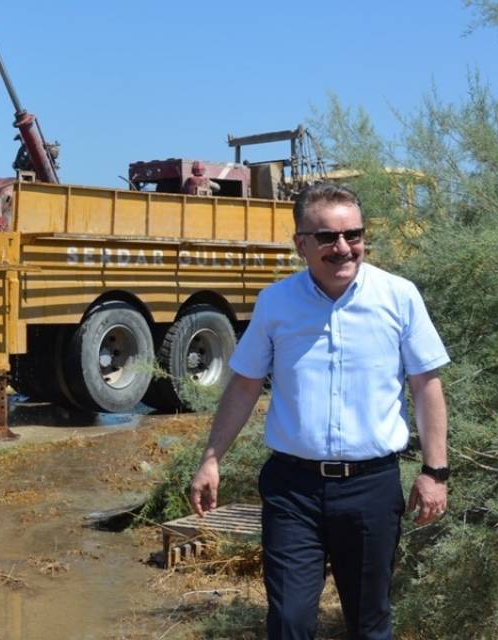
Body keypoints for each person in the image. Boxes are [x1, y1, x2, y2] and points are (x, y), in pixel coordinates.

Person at [188, 183, 450, 640]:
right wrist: (212, 458)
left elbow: (426, 384)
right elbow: (245, 384)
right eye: (327, 237)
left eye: (354, 234)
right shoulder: (276, 303)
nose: (344, 248)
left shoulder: (399, 297)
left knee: (370, 624)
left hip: (371, 488)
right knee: (289, 623)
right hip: (293, 490)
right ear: (301, 244)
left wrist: (435, 471)